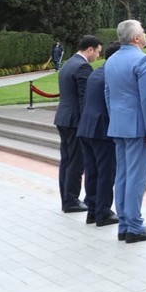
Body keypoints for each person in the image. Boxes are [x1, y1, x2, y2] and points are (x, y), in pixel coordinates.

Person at [105, 20, 146, 243]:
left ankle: (124, 225)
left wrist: (115, 120)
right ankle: (135, 226)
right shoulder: (142, 60)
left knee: (122, 175)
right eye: (143, 32)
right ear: (136, 38)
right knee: (136, 178)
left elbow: (108, 94)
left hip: (118, 125)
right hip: (138, 127)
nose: (145, 35)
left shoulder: (111, 61)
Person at [53, 35, 102, 213]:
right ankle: (71, 200)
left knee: (66, 160)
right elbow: (84, 98)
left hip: (63, 117)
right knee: (76, 161)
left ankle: (66, 198)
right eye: (97, 52)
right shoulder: (83, 66)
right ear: (89, 49)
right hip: (74, 120)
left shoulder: (68, 63)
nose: (97, 56)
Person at [76, 41, 122, 227]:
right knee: (106, 172)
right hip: (101, 130)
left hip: (86, 127)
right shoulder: (112, 75)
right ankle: (103, 212)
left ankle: (93, 210)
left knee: (92, 171)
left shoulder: (96, 72)